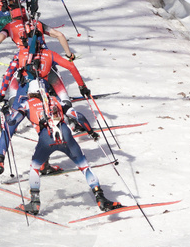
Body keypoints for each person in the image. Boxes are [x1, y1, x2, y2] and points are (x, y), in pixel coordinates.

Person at [12, 79, 121, 216]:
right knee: (84, 166)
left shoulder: (26, 104)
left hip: (46, 138)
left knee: (35, 167)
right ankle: (100, 197)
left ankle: (34, 203)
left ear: (30, 94)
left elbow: (14, 120)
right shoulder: (56, 100)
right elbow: (78, 116)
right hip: (66, 135)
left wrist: (7, 112)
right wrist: (91, 132)